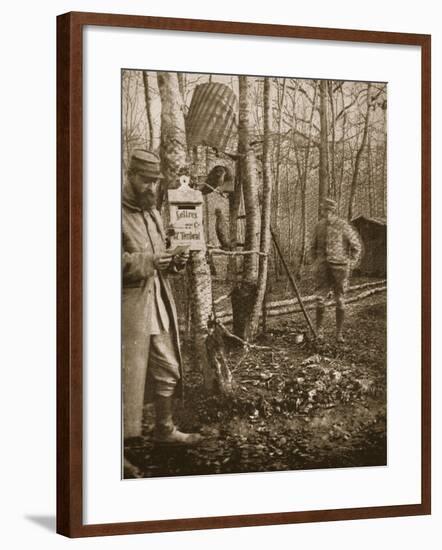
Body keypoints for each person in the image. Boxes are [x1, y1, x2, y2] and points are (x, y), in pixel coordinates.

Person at [122, 149, 202, 446]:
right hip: (128, 309)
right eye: (145, 180)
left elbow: (161, 255)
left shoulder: (153, 212)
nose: (151, 188)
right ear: (129, 176)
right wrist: (151, 261)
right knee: (124, 378)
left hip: (157, 302)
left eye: (155, 182)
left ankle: (164, 429)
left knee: (167, 366)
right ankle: (114, 454)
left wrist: (174, 261)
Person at [311, 198, 362, 343]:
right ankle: (319, 331)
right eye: (324, 211)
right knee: (320, 299)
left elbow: (356, 246)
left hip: (340, 268)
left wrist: (351, 263)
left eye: (330, 211)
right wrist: (315, 262)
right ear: (322, 211)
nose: (327, 214)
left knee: (340, 300)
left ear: (334, 211)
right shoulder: (318, 226)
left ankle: (339, 334)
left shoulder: (343, 226)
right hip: (322, 269)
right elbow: (312, 247)